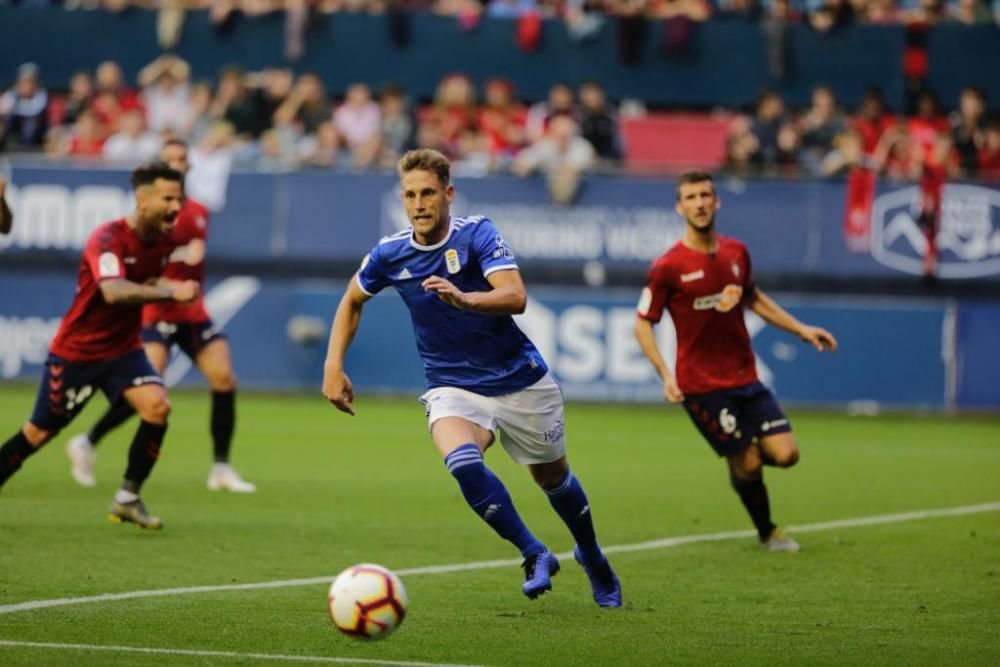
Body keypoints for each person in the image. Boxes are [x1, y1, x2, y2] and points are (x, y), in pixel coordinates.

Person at [322, 148, 622, 607]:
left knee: (553, 479)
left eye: (427, 193)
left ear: (448, 193)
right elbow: (351, 300)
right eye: (409, 195)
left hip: (518, 379)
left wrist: (465, 300)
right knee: (462, 462)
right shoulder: (389, 253)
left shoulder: (477, 233)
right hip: (452, 385)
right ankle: (534, 551)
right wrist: (333, 365)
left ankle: (593, 554)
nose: (419, 204)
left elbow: (515, 296)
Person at [634, 170, 838, 552]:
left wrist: (801, 330)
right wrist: (664, 374)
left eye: (705, 195)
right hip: (701, 386)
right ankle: (768, 531)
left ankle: (741, 460)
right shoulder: (668, 266)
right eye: (691, 197)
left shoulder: (736, 253)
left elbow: (754, 298)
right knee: (748, 462)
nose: (699, 203)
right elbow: (643, 323)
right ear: (680, 207)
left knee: (787, 454)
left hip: (746, 378)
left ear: (717, 201)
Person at [0, 162, 198, 529]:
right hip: (78, 353)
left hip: (123, 350)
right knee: (39, 433)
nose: (176, 207)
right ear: (143, 201)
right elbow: (113, 291)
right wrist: (170, 291)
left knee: (157, 407)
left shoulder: (165, 241)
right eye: (168, 198)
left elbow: (146, 279)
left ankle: (127, 498)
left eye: (179, 198)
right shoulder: (107, 239)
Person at [66, 139, 256, 493]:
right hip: (155, 309)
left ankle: (220, 468)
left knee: (224, 378)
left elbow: (191, 262)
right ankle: (88, 441)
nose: (179, 164)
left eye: (183, 159)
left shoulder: (199, 211)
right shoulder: (150, 214)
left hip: (192, 311)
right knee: (150, 388)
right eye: (171, 159)